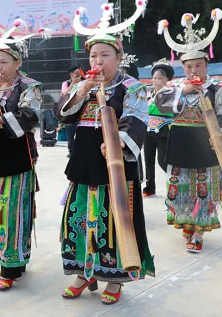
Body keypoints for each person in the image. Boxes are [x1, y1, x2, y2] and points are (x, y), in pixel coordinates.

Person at [57, 32, 153, 303]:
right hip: (83, 163)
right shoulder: (84, 85)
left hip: (115, 166)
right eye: (93, 55)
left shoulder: (131, 87)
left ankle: (114, 277)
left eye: (105, 55)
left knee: (112, 222)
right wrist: (81, 90)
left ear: (119, 58)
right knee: (78, 219)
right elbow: (64, 114)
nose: (98, 61)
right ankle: (84, 272)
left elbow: (136, 120)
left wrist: (117, 143)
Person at [156, 9, 222, 253]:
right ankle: (188, 223)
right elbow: (159, 102)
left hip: (207, 145)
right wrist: (183, 92)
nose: (193, 71)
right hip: (180, 144)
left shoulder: (218, 87)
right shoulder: (174, 86)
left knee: (205, 188)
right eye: (189, 67)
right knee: (180, 188)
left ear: (206, 64)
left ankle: (199, 232)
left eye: (198, 66)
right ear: (182, 66)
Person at [0, 32, 41, 291]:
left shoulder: (29, 86)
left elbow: (29, 115)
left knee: (12, 210)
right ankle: (7, 259)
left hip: (16, 157)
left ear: (17, 63)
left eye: (3, 62)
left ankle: (11, 265)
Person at [143, 60, 174, 196]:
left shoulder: (171, 93)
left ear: (167, 79)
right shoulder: (148, 94)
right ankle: (149, 188)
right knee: (148, 160)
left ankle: (175, 180)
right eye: (155, 78)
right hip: (149, 130)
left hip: (164, 130)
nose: (157, 80)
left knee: (162, 159)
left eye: (160, 78)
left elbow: (168, 110)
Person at [61, 66, 83, 156]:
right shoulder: (66, 83)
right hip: (70, 113)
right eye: (76, 74)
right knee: (70, 133)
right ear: (71, 74)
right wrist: (73, 84)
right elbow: (64, 94)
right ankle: (71, 152)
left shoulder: (84, 83)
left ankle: (80, 151)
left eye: (80, 74)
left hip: (81, 112)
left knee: (81, 133)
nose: (79, 76)